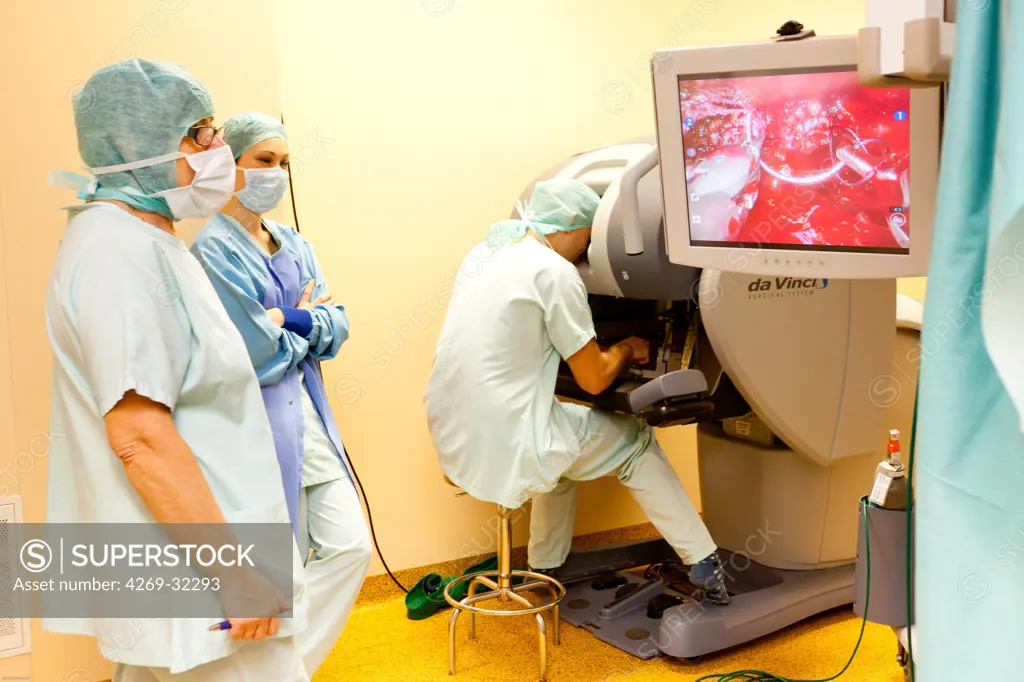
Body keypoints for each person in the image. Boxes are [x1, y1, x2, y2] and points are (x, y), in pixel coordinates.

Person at [45, 60, 310, 680]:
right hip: (202, 581)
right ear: (138, 146)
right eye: (201, 133)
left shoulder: (147, 241)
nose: (220, 150)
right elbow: (139, 436)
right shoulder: (120, 253)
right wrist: (236, 576)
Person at [423, 178, 730, 604]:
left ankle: (543, 569)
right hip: (507, 437)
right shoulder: (553, 271)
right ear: (570, 228)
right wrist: (626, 349)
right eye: (586, 242)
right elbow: (595, 380)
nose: (584, 256)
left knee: (561, 455)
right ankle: (704, 562)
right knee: (636, 443)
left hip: (454, 430)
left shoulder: (487, 254)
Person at [190, 112, 372, 674]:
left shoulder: (294, 243)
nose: (277, 174)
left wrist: (285, 318)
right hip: (258, 423)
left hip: (312, 418)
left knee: (350, 547)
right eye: (264, 161)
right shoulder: (211, 251)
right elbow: (254, 351)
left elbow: (337, 326)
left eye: (284, 164)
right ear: (232, 164)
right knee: (279, 568)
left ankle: (287, 672)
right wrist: (306, 323)